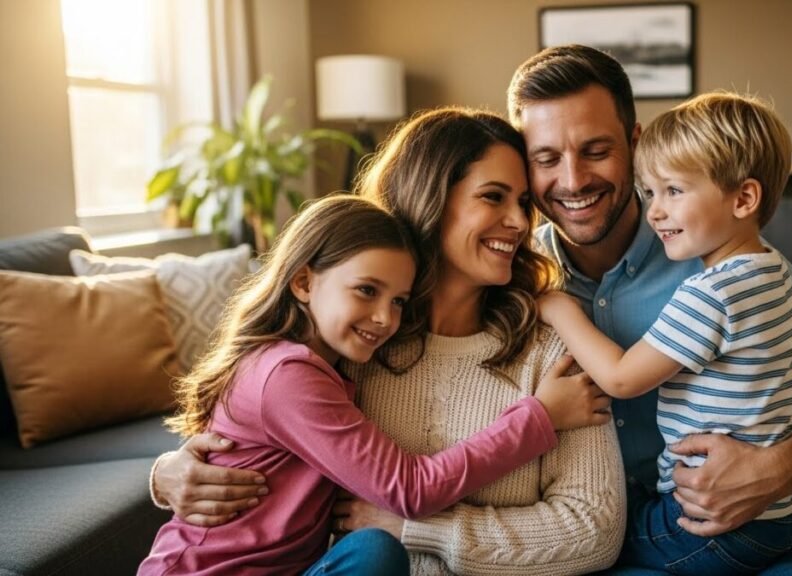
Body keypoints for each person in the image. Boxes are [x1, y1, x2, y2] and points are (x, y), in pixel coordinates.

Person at [150, 108, 627, 575]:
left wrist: (414, 530)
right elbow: (239, 442)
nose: (521, 223)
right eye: (493, 197)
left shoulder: (550, 352)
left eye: (523, 203)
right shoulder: (353, 346)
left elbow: (594, 531)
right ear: (430, 198)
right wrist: (165, 473)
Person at [506, 44, 792, 573]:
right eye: (546, 159)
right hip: (575, 530)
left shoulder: (729, 262)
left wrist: (775, 470)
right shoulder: (512, 278)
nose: (573, 181)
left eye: (595, 150)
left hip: (707, 527)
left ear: (635, 144)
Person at [538, 91, 792, 573]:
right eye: (649, 193)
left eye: (674, 192)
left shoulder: (712, 293)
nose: (654, 212)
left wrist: (557, 308)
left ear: (744, 198)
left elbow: (622, 379)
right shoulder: (771, 271)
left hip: (712, 520)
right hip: (780, 514)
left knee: (594, 537)